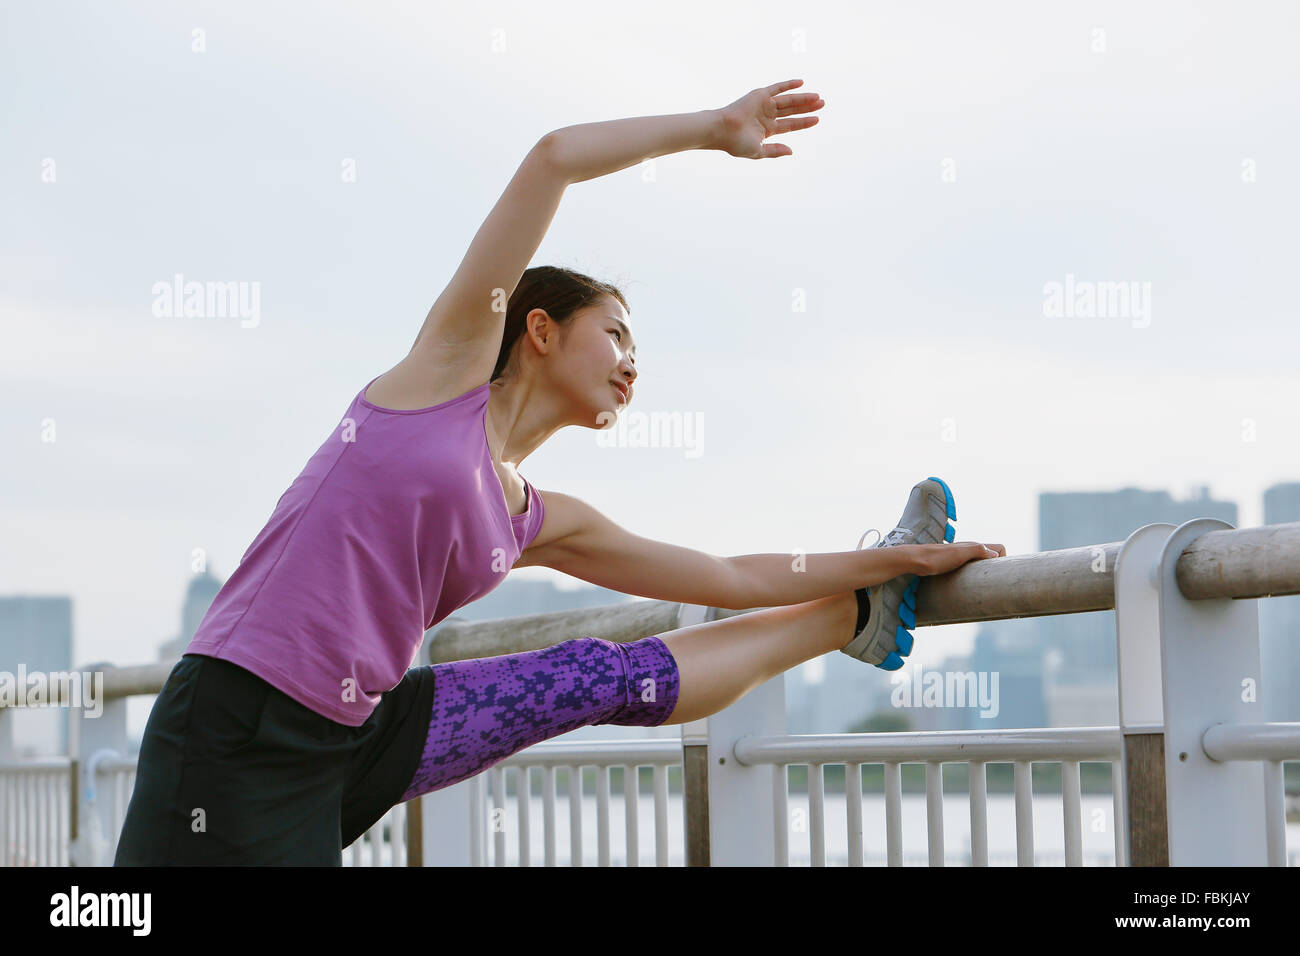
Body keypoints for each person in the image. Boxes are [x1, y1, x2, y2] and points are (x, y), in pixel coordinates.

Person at [113, 78, 1005, 866]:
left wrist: (894, 564)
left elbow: (730, 577)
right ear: (537, 328)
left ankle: (858, 613)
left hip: (359, 733)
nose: (630, 362)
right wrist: (712, 126)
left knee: (595, 675)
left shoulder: (538, 516)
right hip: (237, 724)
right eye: (615, 333)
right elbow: (552, 160)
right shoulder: (443, 376)